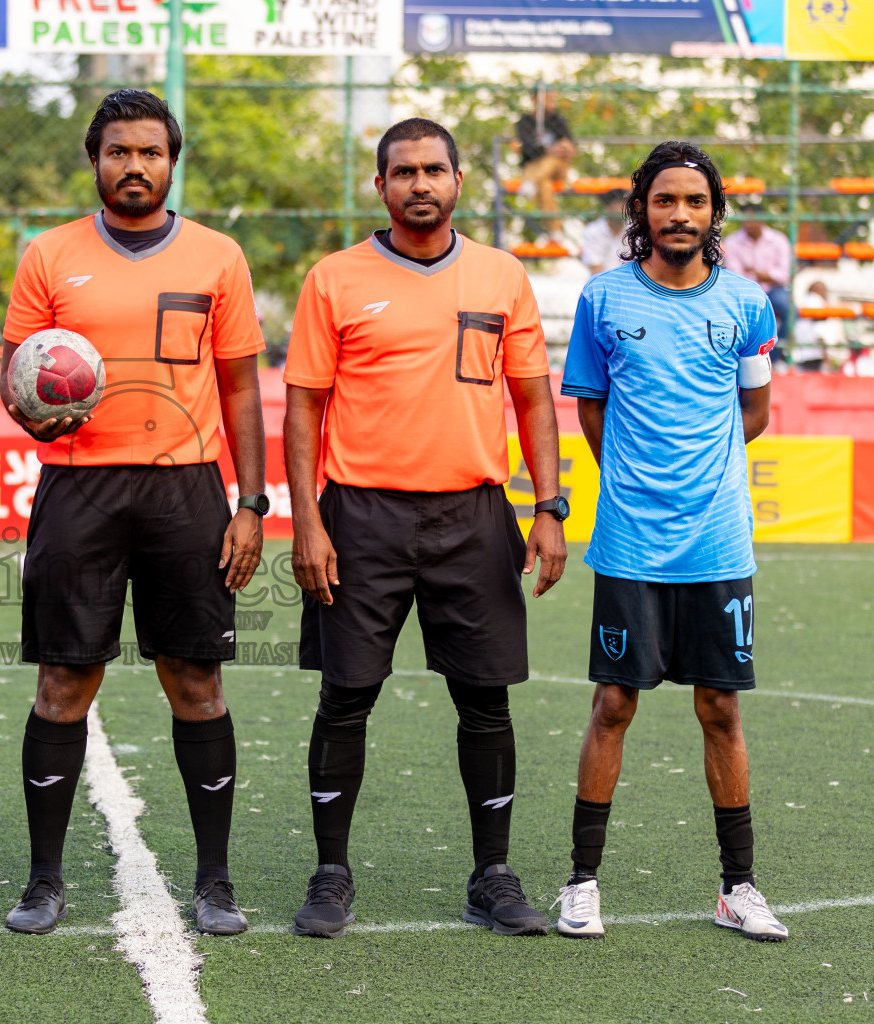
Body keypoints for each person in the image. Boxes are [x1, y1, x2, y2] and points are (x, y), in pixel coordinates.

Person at [284, 117, 567, 940]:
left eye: (433, 170)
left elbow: (532, 397)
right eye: (402, 171)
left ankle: (493, 875)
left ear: (458, 181)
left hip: (474, 514)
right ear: (380, 186)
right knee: (347, 697)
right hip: (360, 514)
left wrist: (547, 507)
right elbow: (304, 406)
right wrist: (307, 519)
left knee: (485, 701)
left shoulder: (501, 275)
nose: (419, 184)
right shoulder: (335, 279)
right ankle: (331, 874)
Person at [0, 89, 267, 937]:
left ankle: (215, 881)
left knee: (196, 681)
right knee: (62, 682)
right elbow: (17, 378)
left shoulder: (218, 257)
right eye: (119, 152)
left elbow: (240, 391)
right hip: (80, 487)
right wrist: (35, 413)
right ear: (95, 160)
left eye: (150, 152)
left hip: (185, 489)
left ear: (171, 161)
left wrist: (251, 503)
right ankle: (44, 881)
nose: (135, 166)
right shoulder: (49, 256)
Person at [556, 141, 787, 942]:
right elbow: (591, 409)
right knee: (614, 704)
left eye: (694, 201)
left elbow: (755, 413)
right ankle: (582, 882)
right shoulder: (603, 299)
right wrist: (636, 476)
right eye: (665, 201)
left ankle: (738, 887)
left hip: (719, 543)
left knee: (720, 708)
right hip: (629, 543)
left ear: (713, 211)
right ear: (641, 210)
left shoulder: (750, 306)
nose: (680, 214)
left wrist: (703, 475)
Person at [723, 211, 792, 351]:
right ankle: (744, 352)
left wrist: (754, 272)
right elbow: (736, 275)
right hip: (744, 291)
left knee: (791, 311)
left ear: (762, 221)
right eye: (746, 221)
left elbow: (784, 275)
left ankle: (775, 354)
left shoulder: (779, 240)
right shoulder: (732, 241)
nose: (749, 225)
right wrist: (766, 275)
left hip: (774, 290)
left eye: (753, 221)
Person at [515, 88, 575, 239]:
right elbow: (527, 149)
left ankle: (529, 184)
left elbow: (568, 147)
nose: (552, 101)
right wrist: (550, 149)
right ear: (536, 100)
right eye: (548, 98)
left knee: (550, 161)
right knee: (544, 185)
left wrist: (555, 149)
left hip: (556, 168)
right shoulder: (525, 122)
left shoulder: (558, 120)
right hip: (534, 168)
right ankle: (555, 230)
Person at [580, 190, 628, 276]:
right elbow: (595, 268)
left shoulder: (636, 230)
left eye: (625, 203)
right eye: (618, 203)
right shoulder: (593, 231)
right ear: (607, 207)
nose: (623, 207)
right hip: (602, 283)